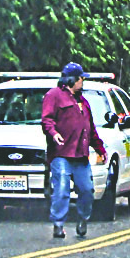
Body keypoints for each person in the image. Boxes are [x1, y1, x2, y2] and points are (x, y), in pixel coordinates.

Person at [41, 62, 107, 238]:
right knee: (61, 189)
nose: (82, 82)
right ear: (72, 80)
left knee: (87, 190)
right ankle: (58, 224)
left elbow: (91, 130)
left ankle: (83, 218)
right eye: (81, 79)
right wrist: (54, 134)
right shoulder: (53, 96)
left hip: (80, 155)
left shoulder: (83, 102)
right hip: (61, 153)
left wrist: (100, 149)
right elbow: (46, 120)